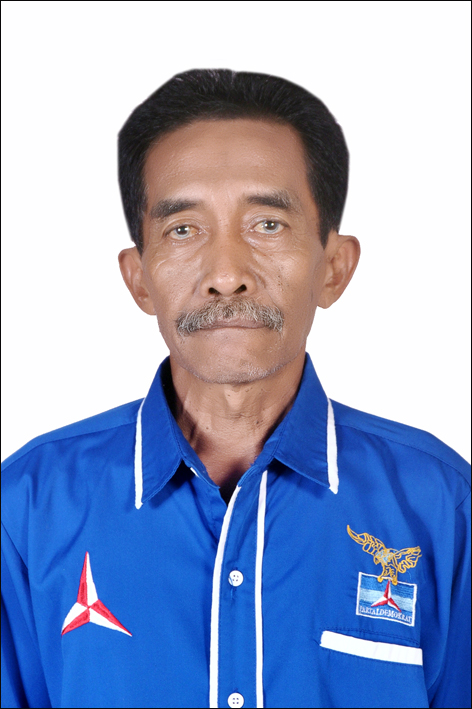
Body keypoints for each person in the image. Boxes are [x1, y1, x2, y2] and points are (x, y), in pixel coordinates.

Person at [1, 69, 470, 709]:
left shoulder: (442, 507)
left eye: (267, 224)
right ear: (138, 278)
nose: (226, 275)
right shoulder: (26, 509)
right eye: (183, 229)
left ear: (334, 268)